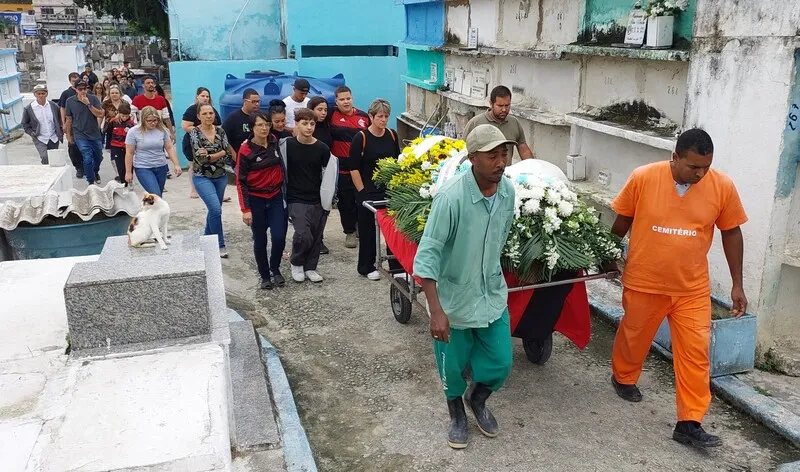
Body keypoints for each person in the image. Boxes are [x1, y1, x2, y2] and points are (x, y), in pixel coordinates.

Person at [608, 128, 748, 448]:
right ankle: (624, 377)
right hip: (645, 281)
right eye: (693, 167)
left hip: (692, 288)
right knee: (634, 336)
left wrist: (737, 284)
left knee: (696, 355)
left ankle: (689, 421)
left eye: (706, 168)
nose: (700, 174)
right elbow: (622, 220)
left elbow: (731, 232)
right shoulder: (643, 177)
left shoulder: (722, 186)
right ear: (675, 157)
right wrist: (607, 254)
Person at [413, 124, 516, 450]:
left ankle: (478, 398)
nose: (501, 162)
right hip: (454, 300)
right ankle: (457, 412)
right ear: (473, 158)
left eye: (504, 154)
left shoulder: (508, 192)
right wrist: (436, 310)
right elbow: (427, 256)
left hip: (491, 295)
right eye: (492, 156)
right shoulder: (451, 198)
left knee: (501, 361)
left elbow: (501, 236)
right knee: (453, 368)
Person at [282, 108, 336, 284]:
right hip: (295, 198)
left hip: (318, 199)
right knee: (303, 234)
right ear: (296, 124)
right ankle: (297, 262)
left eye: (312, 124)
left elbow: (329, 175)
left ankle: (310, 267)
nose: (308, 127)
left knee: (316, 235)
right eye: (304, 123)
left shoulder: (322, 148)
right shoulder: (286, 146)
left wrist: (330, 198)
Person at [349, 99, 401, 281]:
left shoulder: (392, 135)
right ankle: (366, 265)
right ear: (371, 116)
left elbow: (397, 161)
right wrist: (361, 191)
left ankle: (395, 265)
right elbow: (353, 167)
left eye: (386, 116)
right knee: (368, 229)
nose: (383, 120)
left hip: (388, 189)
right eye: (380, 116)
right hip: (368, 189)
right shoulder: (361, 138)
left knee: (393, 228)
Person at [236, 112, 288, 289]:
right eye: (260, 125)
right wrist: (245, 209)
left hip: (275, 197)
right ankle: (265, 275)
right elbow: (240, 181)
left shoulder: (274, 140)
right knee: (260, 240)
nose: (264, 128)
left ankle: (275, 268)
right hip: (255, 199)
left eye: (267, 124)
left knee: (279, 236)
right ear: (252, 128)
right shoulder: (246, 150)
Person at [191, 103, 234, 258]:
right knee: (216, 209)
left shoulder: (220, 130)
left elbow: (228, 152)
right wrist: (218, 153)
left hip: (221, 177)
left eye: (211, 113)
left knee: (214, 210)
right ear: (198, 116)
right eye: (205, 114)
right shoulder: (195, 133)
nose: (209, 116)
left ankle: (206, 237)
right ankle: (219, 245)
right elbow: (200, 158)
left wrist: (210, 155)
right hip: (202, 177)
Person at [329, 85, 370, 249]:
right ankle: (350, 232)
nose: (346, 102)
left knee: (362, 199)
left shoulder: (363, 117)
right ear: (336, 101)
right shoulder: (331, 116)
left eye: (348, 98)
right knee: (345, 202)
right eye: (342, 99)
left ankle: (361, 227)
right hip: (341, 169)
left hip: (360, 169)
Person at [463, 85, 534, 165]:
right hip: (482, 175)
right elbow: (463, 150)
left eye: (507, 105)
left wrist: (533, 168)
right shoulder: (475, 123)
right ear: (491, 104)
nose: (504, 109)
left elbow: (523, 149)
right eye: (500, 106)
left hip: (505, 173)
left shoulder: (514, 123)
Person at [124, 106, 182, 195]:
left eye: (155, 120)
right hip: (143, 167)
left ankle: (151, 208)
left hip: (161, 166)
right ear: (143, 120)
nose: (153, 123)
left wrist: (176, 164)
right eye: (149, 121)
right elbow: (129, 152)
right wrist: (128, 172)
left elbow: (169, 148)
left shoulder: (162, 130)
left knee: (158, 197)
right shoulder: (134, 132)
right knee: (155, 194)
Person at [181, 87, 223, 200]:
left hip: (212, 143)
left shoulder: (212, 110)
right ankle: (194, 189)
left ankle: (216, 192)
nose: (205, 98)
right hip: (193, 142)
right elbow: (185, 126)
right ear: (197, 96)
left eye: (207, 96)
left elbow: (219, 125)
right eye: (203, 96)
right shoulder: (191, 110)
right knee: (193, 165)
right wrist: (202, 131)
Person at [65, 80, 105, 185]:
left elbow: (100, 114)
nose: (83, 91)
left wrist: (88, 104)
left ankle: (95, 171)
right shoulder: (70, 101)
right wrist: (68, 136)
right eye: (80, 89)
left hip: (94, 133)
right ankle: (90, 181)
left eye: (84, 89)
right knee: (87, 156)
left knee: (99, 156)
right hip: (79, 134)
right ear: (75, 89)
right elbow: (68, 119)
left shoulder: (93, 99)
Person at [308, 96, 332, 255]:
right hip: (309, 173)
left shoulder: (329, 127)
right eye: (319, 109)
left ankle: (319, 238)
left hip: (326, 171)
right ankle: (310, 238)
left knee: (324, 208)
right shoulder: (309, 128)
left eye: (325, 110)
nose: (323, 113)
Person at [22, 84, 63, 165]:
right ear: (35, 95)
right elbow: (25, 123)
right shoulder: (29, 108)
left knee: (54, 158)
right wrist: (32, 133)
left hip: (53, 137)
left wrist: (60, 130)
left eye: (43, 93)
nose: (41, 96)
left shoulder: (53, 106)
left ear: (46, 94)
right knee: (45, 157)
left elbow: (59, 118)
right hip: (40, 138)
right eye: (38, 94)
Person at [131, 75, 175, 142]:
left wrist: (171, 133)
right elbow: (130, 113)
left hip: (159, 132)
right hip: (143, 133)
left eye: (152, 83)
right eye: (148, 83)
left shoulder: (161, 99)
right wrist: (135, 125)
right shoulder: (137, 99)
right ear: (143, 85)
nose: (151, 84)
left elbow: (166, 117)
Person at [59, 72, 84, 178]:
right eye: (73, 81)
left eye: (76, 80)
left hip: (84, 124)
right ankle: (78, 167)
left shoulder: (85, 92)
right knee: (73, 146)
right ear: (70, 81)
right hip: (71, 124)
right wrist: (63, 123)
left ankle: (86, 166)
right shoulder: (66, 93)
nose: (75, 82)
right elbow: (62, 108)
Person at [222, 88, 260, 154]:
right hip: (240, 157)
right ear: (245, 101)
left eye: (258, 101)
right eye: (253, 102)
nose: (257, 104)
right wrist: (236, 158)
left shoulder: (260, 117)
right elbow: (224, 139)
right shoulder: (233, 118)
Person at [109, 102, 135, 184]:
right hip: (116, 146)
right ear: (118, 113)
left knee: (129, 165)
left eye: (126, 116)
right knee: (120, 166)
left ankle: (129, 181)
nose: (124, 118)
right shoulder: (113, 122)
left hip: (128, 147)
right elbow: (108, 133)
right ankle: (123, 183)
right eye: (122, 115)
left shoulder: (131, 123)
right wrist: (108, 146)